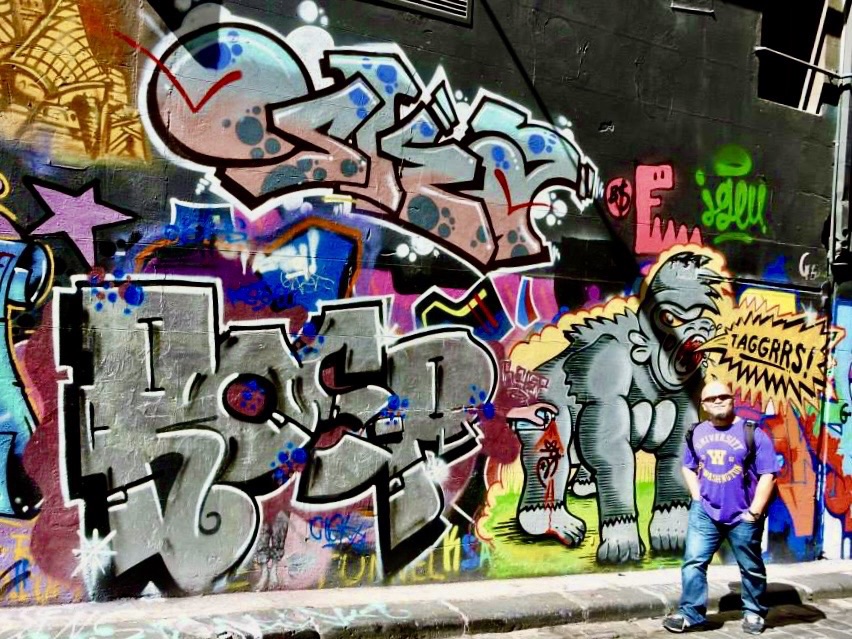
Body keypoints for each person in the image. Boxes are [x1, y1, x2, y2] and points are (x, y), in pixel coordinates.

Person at [662, 380, 778, 635]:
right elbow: (688, 466)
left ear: (732, 399)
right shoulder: (696, 432)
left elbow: (769, 474)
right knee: (693, 563)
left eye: (723, 396)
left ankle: (754, 612)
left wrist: (754, 512)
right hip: (705, 512)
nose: (717, 401)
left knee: (750, 566)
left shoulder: (752, 432)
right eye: (711, 398)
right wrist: (697, 497)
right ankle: (691, 614)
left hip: (744, 514)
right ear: (703, 405)